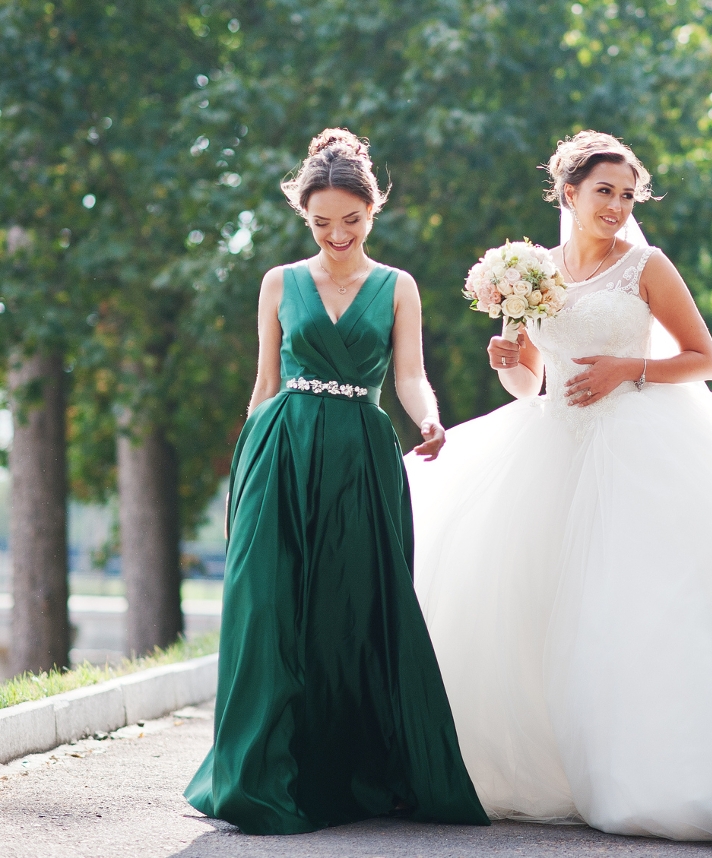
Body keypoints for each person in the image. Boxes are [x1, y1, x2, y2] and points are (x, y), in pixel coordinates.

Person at [402, 131, 712, 847]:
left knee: (633, 607)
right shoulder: (531, 271)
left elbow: (704, 359)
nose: (617, 206)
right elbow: (528, 378)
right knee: (534, 603)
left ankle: (655, 767)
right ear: (567, 193)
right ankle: (552, 769)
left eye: (627, 195)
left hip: (637, 445)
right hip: (552, 444)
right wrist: (507, 354)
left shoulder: (647, 266)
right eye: (604, 192)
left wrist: (628, 369)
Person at [185, 129, 488, 835]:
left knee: (354, 609)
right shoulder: (278, 282)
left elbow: (409, 373)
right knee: (270, 609)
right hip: (281, 451)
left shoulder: (397, 287)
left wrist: (429, 419)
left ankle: (354, 774)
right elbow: (264, 384)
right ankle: (259, 778)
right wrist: (247, 474)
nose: (337, 234)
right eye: (321, 223)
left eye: (350, 220)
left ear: (372, 211)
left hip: (359, 452)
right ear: (305, 217)